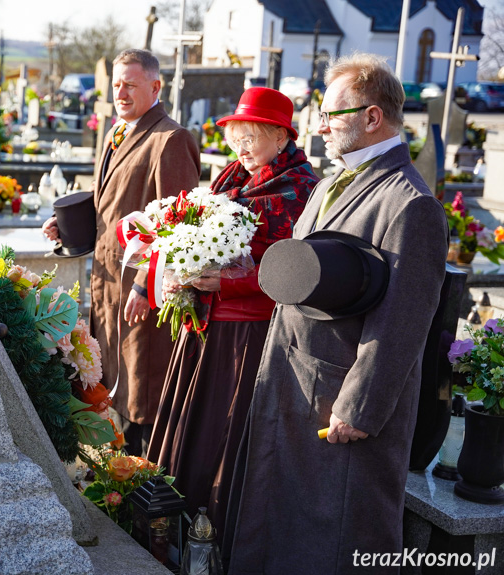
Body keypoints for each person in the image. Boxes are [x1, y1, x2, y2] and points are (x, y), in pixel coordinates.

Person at [223, 53, 448, 574]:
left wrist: (360, 407)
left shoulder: (410, 203)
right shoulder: (329, 184)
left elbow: (404, 321)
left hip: (340, 399)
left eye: (332, 115)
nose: (319, 127)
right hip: (294, 376)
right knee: (282, 522)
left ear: (374, 117)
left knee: (337, 534)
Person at [147, 87, 317, 532]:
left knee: (220, 436)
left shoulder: (300, 189)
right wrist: (177, 268)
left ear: (281, 137)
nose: (240, 148)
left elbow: (292, 273)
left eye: (251, 137)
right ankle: (169, 529)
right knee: (189, 427)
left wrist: (226, 281)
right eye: (236, 137)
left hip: (246, 337)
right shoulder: (230, 178)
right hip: (205, 327)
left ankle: (210, 531)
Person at [41, 49, 200, 455]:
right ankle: (115, 485)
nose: (122, 92)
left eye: (131, 84)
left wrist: (149, 288)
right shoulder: (117, 132)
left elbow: (180, 226)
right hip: (107, 287)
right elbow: (111, 203)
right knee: (109, 391)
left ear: (155, 86)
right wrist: (68, 228)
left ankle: (144, 497)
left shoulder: (171, 139)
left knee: (140, 400)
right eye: (116, 84)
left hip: (139, 296)